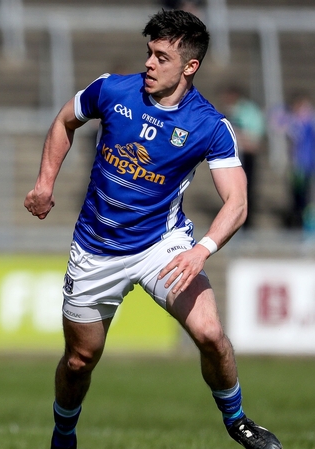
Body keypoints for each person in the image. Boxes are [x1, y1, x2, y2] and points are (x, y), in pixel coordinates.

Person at [24, 10, 281, 449]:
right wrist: (45, 183)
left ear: (189, 66)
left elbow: (237, 202)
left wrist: (202, 250)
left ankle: (238, 421)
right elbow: (65, 120)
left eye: (161, 56)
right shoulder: (112, 89)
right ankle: (64, 432)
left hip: (161, 247)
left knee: (211, 336)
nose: (149, 63)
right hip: (95, 249)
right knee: (80, 360)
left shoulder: (209, 126)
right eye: (149, 52)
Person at [220, 85, 266, 229]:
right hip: (234, 156)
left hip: (246, 156)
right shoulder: (229, 111)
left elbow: (255, 140)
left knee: (246, 189)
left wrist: (241, 138)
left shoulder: (248, 112)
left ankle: (246, 223)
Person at [271, 91, 315, 229]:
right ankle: (298, 222)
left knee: (305, 195)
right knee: (297, 195)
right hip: (297, 165)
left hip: (307, 164)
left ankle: (305, 223)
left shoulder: (308, 121)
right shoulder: (294, 121)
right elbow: (276, 122)